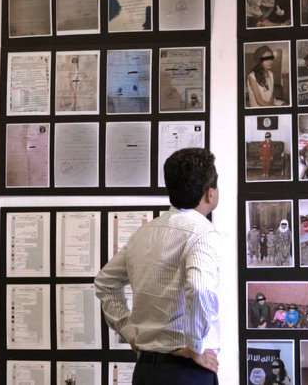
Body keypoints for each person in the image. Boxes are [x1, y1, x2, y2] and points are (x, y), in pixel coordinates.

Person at [94, 148, 220, 383]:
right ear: (209, 193)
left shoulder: (144, 233)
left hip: (146, 371)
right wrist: (196, 348)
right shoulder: (202, 232)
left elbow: (105, 283)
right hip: (186, 372)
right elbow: (200, 287)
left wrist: (131, 334)